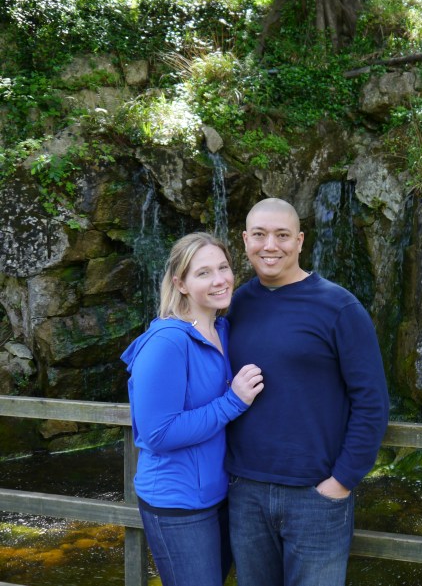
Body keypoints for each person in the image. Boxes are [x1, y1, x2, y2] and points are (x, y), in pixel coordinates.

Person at [226, 197, 390, 586]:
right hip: (244, 492)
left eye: (282, 235)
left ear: (300, 241)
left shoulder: (339, 307)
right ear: (245, 239)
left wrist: (342, 481)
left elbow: (372, 402)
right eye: (261, 235)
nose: (271, 246)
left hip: (315, 495)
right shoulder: (233, 304)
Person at [121, 232, 265, 586]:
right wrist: (233, 402)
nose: (219, 280)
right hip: (178, 502)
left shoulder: (223, 329)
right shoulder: (167, 342)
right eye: (203, 273)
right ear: (180, 283)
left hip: (221, 495)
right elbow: (157, 432)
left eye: (224, 267)